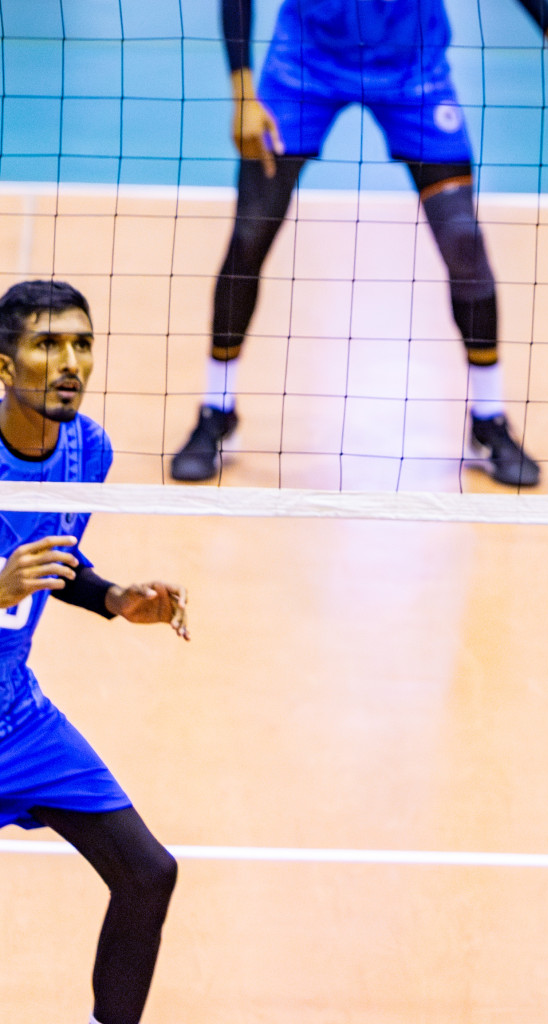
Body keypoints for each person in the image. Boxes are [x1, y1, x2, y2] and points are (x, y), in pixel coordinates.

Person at [169, 0, 548, 486]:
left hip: (413, 71)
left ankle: (489, 420)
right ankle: (217, 409)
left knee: (463, 240)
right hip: (304, 69)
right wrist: (244, 92)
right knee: (249, 235)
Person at [0, 280, 190, 1024]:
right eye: (47, 345)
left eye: (82, 343)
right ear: (5, 368)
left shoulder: (87, 450)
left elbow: (50, 559)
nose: (70, 361)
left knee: (148, 875)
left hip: (17, 720)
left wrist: (112, 598)